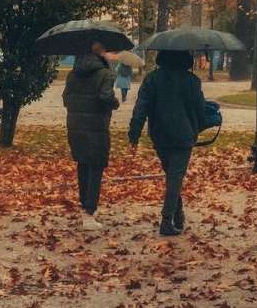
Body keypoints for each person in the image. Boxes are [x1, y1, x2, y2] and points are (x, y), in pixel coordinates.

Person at [127, 49, 209, 236]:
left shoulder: (152, 79)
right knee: (175, 178)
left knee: (173, 177)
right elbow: (201, 110)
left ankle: (178, 216)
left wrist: (134, 135)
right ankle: (166, 220)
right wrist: (198, 128)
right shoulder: (192, 81)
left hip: (160, 135)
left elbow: (141, 108)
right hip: (184, 135)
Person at [63, 42, 120, 231]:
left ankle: (84, 206)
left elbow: (66, 98)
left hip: (76, 127)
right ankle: (90, 211)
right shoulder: (106, 74)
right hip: (96, 127)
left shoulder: (73, 74)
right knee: (96, 167)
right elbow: (105, 98)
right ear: (100, 53)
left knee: (83, 164)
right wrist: (115, 103)